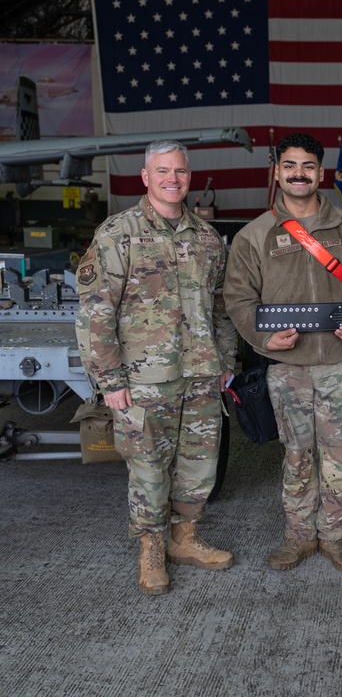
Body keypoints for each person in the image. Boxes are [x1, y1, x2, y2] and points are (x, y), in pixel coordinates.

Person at [76, 140, 237, 595]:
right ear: (145, 177)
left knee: (198, 465)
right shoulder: (117, 233)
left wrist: (226, 362)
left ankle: (184, 539)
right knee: (148, 468)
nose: (173, 179)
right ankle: (151, 547)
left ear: (189, 176)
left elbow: (221, 309)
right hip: (145, 379)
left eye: (180, 172)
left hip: (202, 374)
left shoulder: (206, 238)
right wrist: (109, 381)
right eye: (162, 171)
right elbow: (94, 312)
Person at [224, 132, 342, 573]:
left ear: (321, 173)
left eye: (308, 166)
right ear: (278, 171)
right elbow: (238, 299)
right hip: (288, 367)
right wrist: (261, 340)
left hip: (340, 364)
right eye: (290, 166)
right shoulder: (256, 235)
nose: (299, 174)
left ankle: (335, 536)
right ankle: (298, 537)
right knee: (296, 454)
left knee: (341, 453)